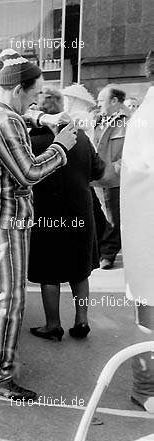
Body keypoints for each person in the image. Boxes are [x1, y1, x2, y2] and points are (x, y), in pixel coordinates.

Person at [0, 50, 77, 401]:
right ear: (17, 90)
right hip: (4, 221)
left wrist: (44, 119)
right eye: (33, 94)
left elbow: (20, 123)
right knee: (7, 300)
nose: (34, 101)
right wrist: (61, 147)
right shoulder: (5, 121)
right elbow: (29, 172)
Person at [27, 87, 112, 341]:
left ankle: (53, 325)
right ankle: (82, 320)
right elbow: (99, 172)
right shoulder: (82, 138)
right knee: (79, 269)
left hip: (46, 213)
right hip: (80, 211)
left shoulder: (31, 141)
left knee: (48, 270)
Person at [121, 49, 154, 413]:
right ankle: (145, 389)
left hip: (146, 235)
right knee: (149, 318)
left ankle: (146, 387)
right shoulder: (149, 116)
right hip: (149, 235)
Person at [94, 85, 128, 270]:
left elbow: (132, 151)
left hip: (114, 179)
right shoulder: (99, 119)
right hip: (97, 178)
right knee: (102, 217)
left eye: (101, 100)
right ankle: (102, 251)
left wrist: (116, 169)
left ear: (114, 101)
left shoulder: (128, 121)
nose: (98, 104)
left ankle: (108, 254)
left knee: (113, 219)